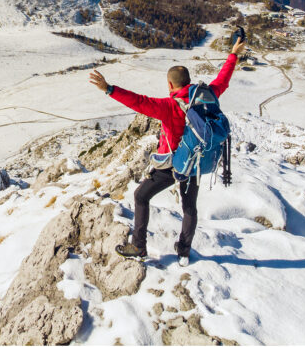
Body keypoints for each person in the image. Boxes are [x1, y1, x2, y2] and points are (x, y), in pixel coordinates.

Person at [88, 38, 246, 265]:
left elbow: (139, 102)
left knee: (141, 196)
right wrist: (233, 55)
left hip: (172, 163)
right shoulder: (207, 96)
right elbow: (223, 80)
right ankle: (183, 251)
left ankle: (138, 247)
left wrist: (109, 89)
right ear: (189, 82)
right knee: (189, 207)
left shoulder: (169, 105)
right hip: (196, 163)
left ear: (170, 85)